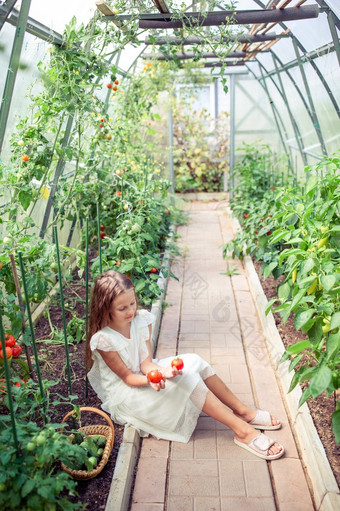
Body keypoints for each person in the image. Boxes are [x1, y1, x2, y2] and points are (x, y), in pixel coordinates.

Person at [86, 270, 284, 460]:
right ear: (106, 308)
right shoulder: (105, 340)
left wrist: (163, 372)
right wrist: (152, 380)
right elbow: (128, 377)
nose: (131, 311)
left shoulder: (140, 320)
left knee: (195, 361)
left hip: (144, 375)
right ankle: (243, 432)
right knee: (188, 380)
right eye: (122, 308)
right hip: (127, 393)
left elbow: (146, 363)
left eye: (132, 303)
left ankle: (243, 411)